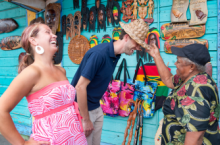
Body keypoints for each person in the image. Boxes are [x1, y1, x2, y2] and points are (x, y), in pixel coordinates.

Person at [0, 23, 87, 145]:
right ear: (33, 40)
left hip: (76, 137)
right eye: (48, 32)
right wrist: (22, 143)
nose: (54, 36)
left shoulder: (61, 70)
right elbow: (1, 110)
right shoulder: (32, 73)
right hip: (50, 140)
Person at [71, 19, 150, 145]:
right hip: (83, 110)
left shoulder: (115, 55)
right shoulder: (99, 54)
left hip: (96, 108)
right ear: (126, 37)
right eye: (137, 43)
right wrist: (85, 119)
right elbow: (79, 87)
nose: (138, 48)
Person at [146, 43, 220, 145]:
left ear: (191, 66)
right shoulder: (189, 78)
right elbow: (168, 79)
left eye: (178, 61)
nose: (175, 63)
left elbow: (196, 136)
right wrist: (156, 55)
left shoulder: (196, 89)